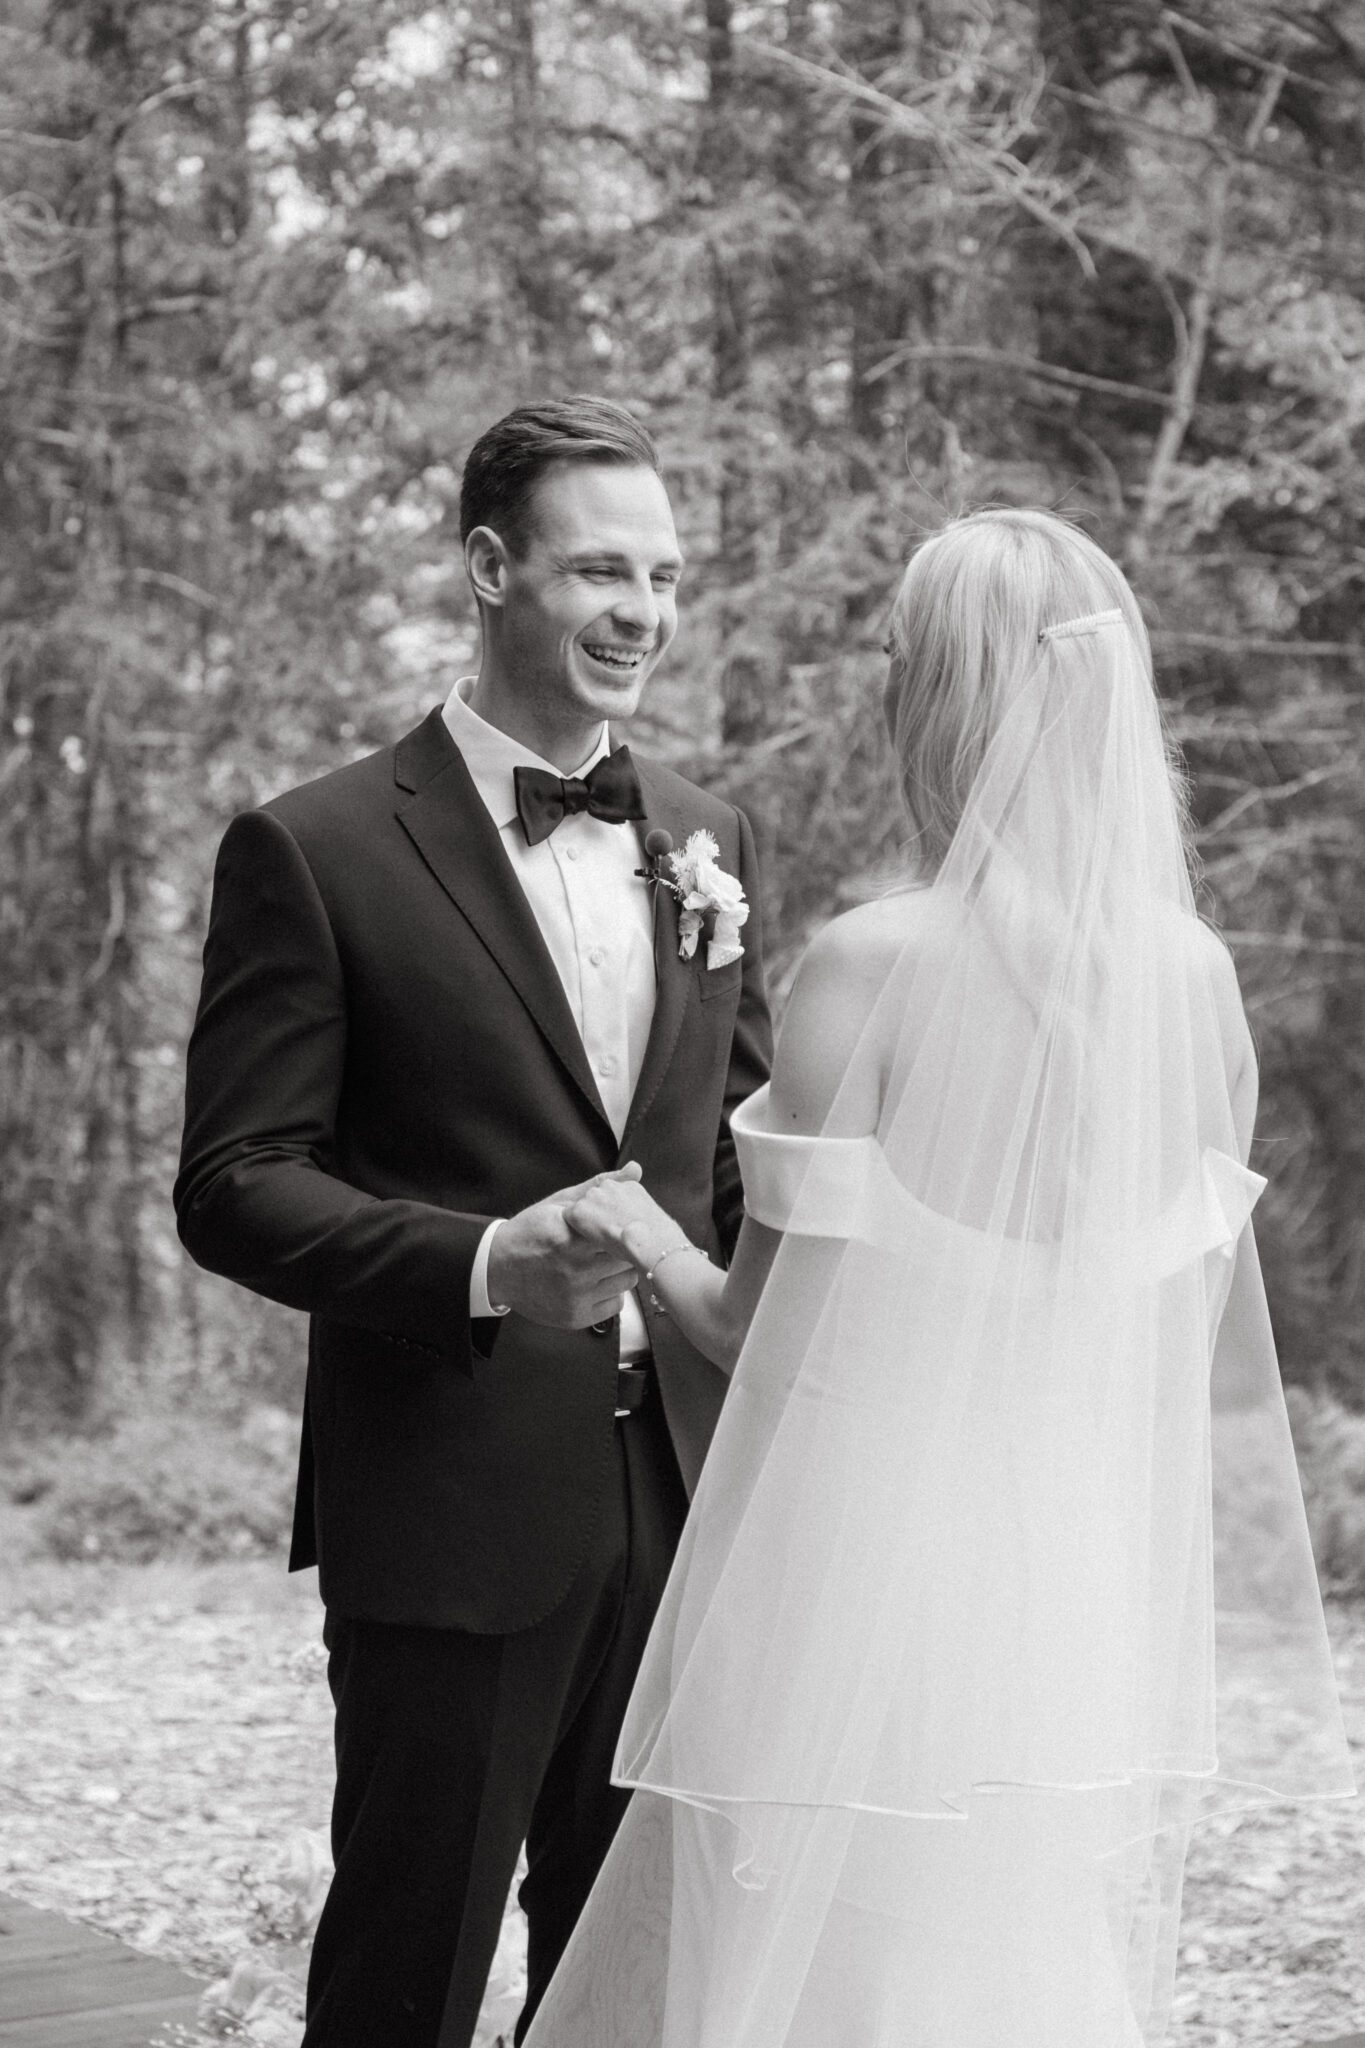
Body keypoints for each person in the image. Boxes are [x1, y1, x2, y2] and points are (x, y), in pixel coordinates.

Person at [523, 508, 1353, 2048]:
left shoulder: (871, 962)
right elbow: (1166, 1339)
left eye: (900, 653)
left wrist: (641, 1237)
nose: (883, 680)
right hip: (1060, 1592)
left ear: (953, 697)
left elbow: (747, 1333)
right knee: (1009, 1959)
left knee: (814, 1962)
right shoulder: (1190, 980)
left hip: (856, 1584)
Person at [173, 396, 772, 2048]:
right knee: (404, 1980)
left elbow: (738, 1166)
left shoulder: (715, 840)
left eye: (661, 574)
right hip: (449, 1508)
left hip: (687, 1516)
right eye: (598, 570)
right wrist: (491, 1261)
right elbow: (234, 1184)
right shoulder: (317, 847)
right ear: (491, 567)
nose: (640, 610)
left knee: (637, 1988)